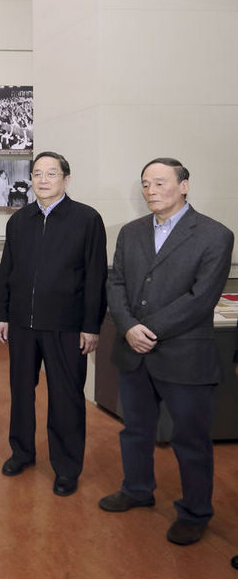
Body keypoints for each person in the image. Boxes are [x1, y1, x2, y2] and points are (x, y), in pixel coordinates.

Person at [99, 157, 234, 546]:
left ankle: (195, 512)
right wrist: (128, 327)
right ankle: (137, 489)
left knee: (190, 439)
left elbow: (201, 297)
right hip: (134, 352)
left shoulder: (214, 235)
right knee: (136, 430)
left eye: (160, 183)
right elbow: (117, 282)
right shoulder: (131, 232)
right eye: (146, 184)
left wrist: (149, 329)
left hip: (184, 355)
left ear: (184, 185)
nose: (152, 191)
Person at [0, 151, 107, 497]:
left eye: (51, 173)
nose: (43, 179)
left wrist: (91, 325)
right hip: (23, 326)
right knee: (21, 393)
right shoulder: (19, 220)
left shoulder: (86, 219)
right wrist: (3, 313)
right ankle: (22, 452)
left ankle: (67, 466)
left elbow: (95, 277)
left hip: (67, 325)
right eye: (37, 173)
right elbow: (7, 271)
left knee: (66, 397)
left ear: (66, 179)